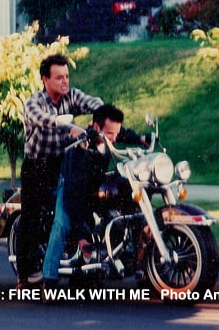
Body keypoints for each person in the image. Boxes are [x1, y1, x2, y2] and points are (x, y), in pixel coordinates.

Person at [16, 53, 103, 290]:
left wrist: (103, 115)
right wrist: (67, 124)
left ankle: (83, 262)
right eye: (58, 77)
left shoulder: (71, 96)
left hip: (63, 163)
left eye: (66, 76)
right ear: (45, 79)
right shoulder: (35, 102)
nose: (64, 82)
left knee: (80, 205)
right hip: (37, 167)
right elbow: (43, 119)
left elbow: (92, 102)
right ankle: (23, 278)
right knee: (31, 219)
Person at [41, 104, 148, 294]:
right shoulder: (80, 146)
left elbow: (121, 133)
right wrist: (80, 235)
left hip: (93, 184)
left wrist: (141, 139)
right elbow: (74, 196)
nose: (114, 138)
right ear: (96, 127)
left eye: (115, 132)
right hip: (71, 184)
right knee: (62, 224)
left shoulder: (110, 133)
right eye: (109, 133)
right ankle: (48, 282)